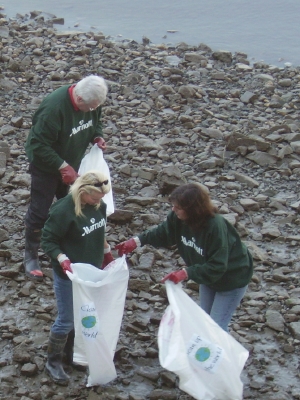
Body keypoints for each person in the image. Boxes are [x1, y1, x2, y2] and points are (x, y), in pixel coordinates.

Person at [115, 182, 253, 332]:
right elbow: (163, 232)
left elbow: (218, 265)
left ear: (193, 210)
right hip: (207, 278)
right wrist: (137, 241)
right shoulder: (178, 218)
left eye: (178, 207)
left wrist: (186, 273)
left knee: (216, 328)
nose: (174, 210)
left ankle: (224, 354)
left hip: (231, 279)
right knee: (205, 320)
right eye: (173, 206)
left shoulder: (215, 227)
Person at [24, 75, 108, 281]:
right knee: (40, 211)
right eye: (90, 107)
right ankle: (31, 256)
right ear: (79, 100)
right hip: (46, 167)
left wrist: (97, 135)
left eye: (96, 106)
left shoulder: (92, 102)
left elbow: (95, 120)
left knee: (74, 204)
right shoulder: (53, 109)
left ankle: (68, 248)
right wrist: (62, 166)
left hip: (73, 162)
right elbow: (37, 144)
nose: (93, 110)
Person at [41, 170, 114, 385]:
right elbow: (48, 240)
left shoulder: (99, 206)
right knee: (66, 319)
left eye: (101, 197)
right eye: (94, 197)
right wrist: (62, 258)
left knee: (83, 312)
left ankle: (71, 353)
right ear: (82, 191)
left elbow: (99, 231)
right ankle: (53, 361)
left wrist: (107, 253)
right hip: (68, 273)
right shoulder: (64, 210)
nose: (98, 201)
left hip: (89, 272)